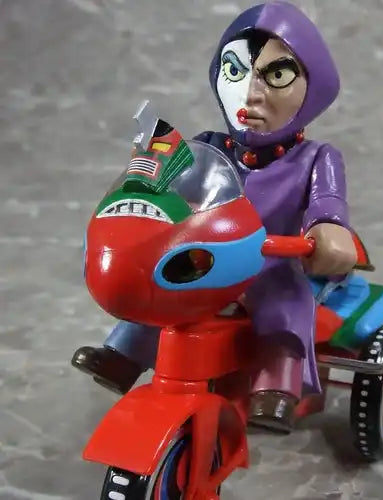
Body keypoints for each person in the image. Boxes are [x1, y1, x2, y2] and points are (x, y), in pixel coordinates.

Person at [72, 1, 357, 432]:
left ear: (313, 86)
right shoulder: (209, 144)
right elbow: (177, 183)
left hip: (271, 262)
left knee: (284, 306)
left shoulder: (316, 158)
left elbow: (327, 203)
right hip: (207, 257)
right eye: (234, 70)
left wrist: (329, 228)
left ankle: (276, 386)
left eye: (277, 75)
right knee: (161, 290)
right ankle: (123, 354)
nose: (251, 94)